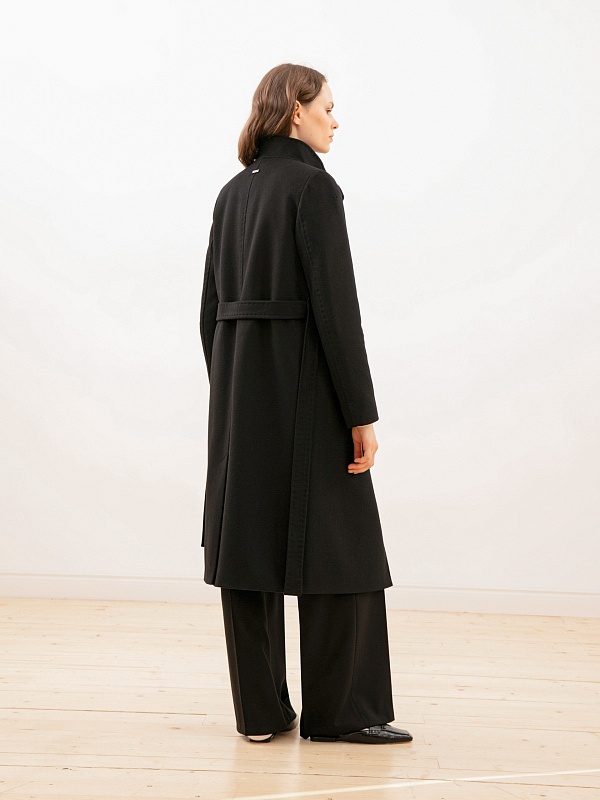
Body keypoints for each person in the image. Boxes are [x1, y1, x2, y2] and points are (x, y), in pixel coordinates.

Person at [199, 63, 412, 745]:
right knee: (343, 547)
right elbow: (336, 311)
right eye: (327, 107)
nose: (335, 120)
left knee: (246, 544)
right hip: (309, 389)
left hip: (240, 398)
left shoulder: (232, 192)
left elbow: (209, 311)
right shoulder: (313, 188)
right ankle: (342, 712)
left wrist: (235, 385)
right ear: (296, 109)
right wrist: (360, 413)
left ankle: (260, 714)